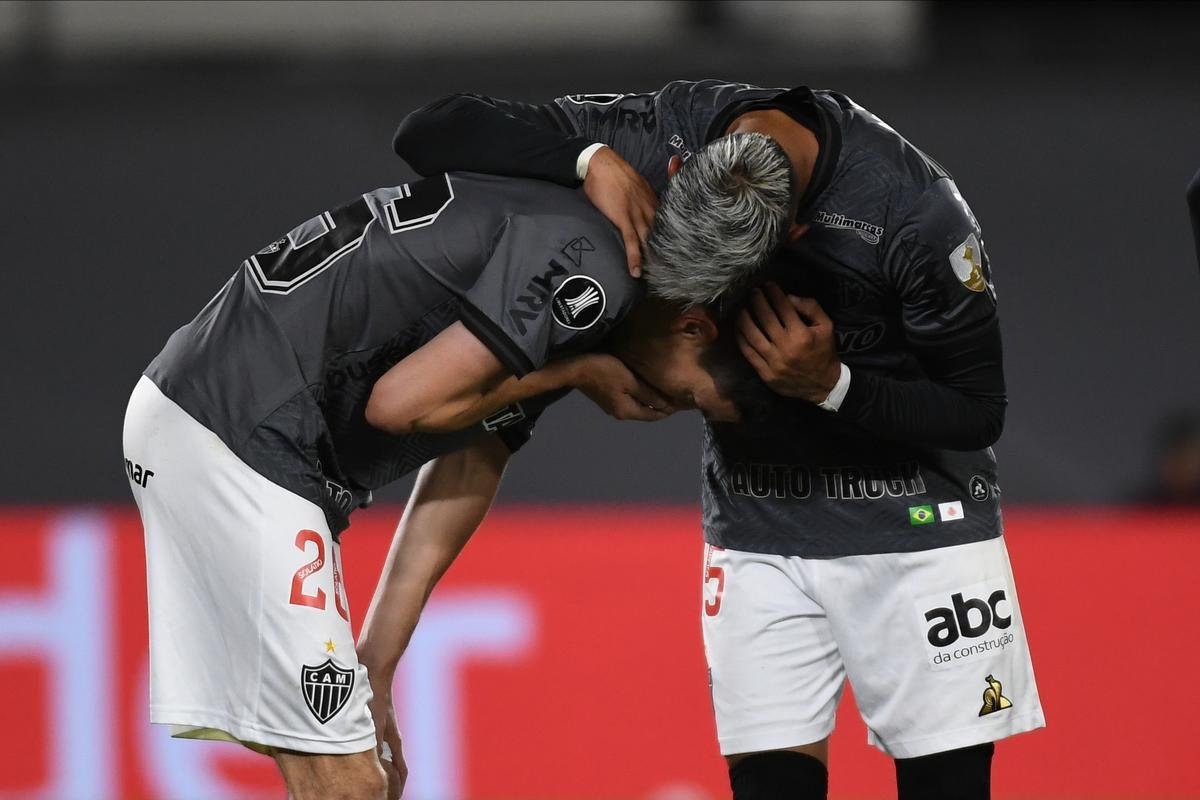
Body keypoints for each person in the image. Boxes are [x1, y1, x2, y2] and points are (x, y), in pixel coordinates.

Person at [392, 80, 1045, 799]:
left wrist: (835, 385)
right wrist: (589, 160)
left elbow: (979, 411)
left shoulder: (916, 215)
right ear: (679, 173)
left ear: (792, 235)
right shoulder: (659, 132)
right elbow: (430, 130)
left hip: (918, 529)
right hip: (757, 529)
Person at [121, 169, 673, 800]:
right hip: (239, 425)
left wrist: (376, 665)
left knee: (355, 779)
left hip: (226, 419)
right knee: (349, 783)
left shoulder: (562, 264)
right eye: (695, 399)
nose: (667, 408)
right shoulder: (589, 270)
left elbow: (471, 453)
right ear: (694, 326)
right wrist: (575, 372)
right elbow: (398, 405)